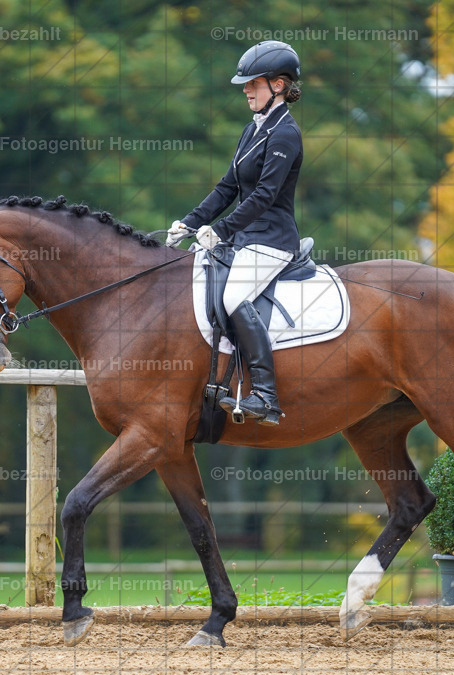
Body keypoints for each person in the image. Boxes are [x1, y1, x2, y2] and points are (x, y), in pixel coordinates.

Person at [168, 41, 303, 427]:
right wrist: (190, 222)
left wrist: (222, 229)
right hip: (246, 237)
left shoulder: (285, 134)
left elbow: (264, 195)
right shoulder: (253, 129)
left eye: (253, 84)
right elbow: (228, 187)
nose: (245, 90)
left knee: (232, 296)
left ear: (278, 85)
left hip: (272, 239)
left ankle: (266, 395)